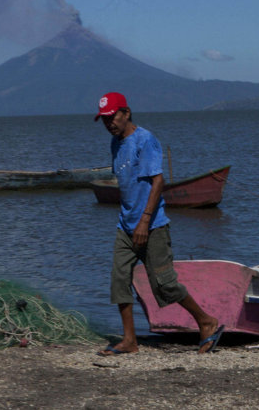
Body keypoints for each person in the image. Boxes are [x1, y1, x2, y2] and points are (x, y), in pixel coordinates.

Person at [93, 92, 222, 355]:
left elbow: (158, 182)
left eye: (112, 117)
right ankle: (130, 341)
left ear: (126, 113)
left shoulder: (145, 140)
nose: (109, 124)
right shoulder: (115, 144)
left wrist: (144, 221)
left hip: (152, 226)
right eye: (104, 120)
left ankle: (206, 321)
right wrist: (129, 220)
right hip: (125, 226)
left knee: (165, 284)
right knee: (119, 281)